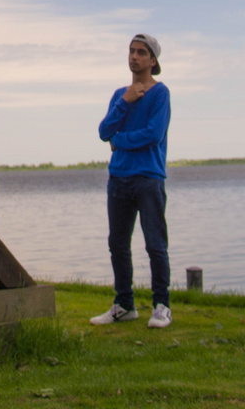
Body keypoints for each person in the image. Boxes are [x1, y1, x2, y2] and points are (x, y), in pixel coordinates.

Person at [90, 34, 172, 329]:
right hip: (119, 179)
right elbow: (103, 131)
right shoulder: (119, 95)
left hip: (149, 179)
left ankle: (161, 306)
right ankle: (125, 305)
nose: (134, 56)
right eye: (131, 51)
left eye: (141, 52)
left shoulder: (160, 94)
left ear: (153, 61)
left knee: (155, 244)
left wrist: (119, 140)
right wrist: (124, 102)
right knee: (118, 244)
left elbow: (153, 134)